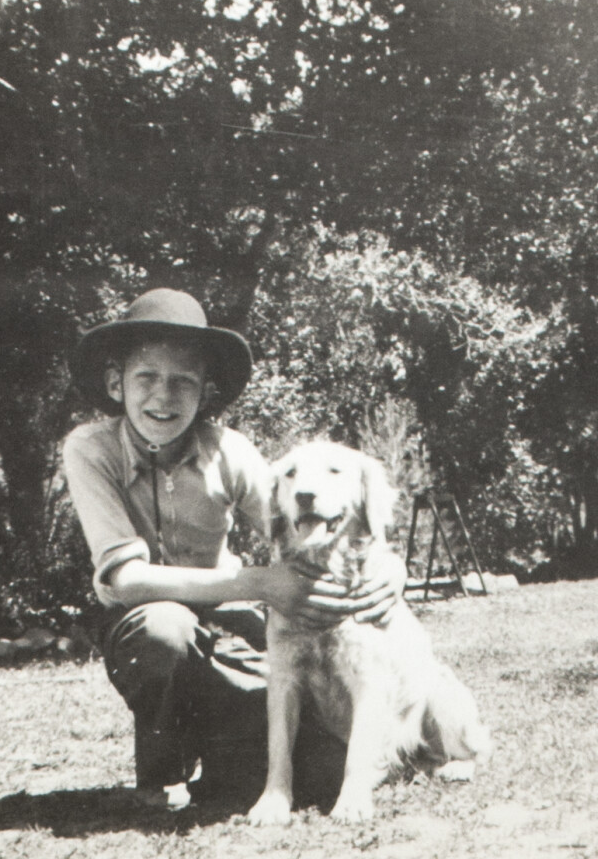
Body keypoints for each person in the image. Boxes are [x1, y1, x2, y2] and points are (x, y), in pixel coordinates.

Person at [61, 288, 399, 811]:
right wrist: (262, 584)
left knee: (320, 771)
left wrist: (389, 567)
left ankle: (222, 751)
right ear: (115, 383)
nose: (163, 397)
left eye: (183, 382)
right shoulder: (90, 449)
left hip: (225, 626)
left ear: (206, 391)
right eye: (146, 377)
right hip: (142, 626)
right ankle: (162, 770)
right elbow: (126, 581)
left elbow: (304, 518)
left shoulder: (229, 450)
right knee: (164, 630)